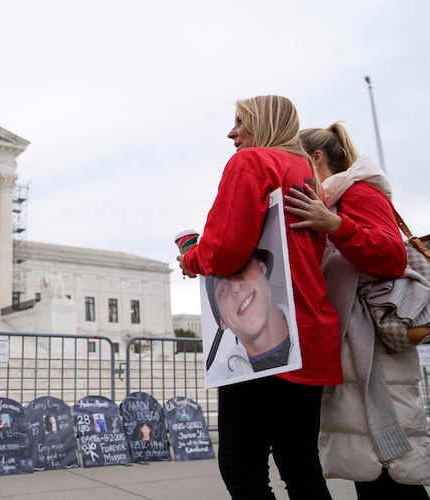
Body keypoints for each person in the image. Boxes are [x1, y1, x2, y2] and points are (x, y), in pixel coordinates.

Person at [178, 95, 342, 499]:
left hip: (265, 345)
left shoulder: (250, 162)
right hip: (311, 331)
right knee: (300, 463)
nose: (231, 132)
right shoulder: (305, 173)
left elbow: (228, 249)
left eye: (241, 122)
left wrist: (191, 256)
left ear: (265, 124)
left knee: (242, 466)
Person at [285, 122, 429, 499]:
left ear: (316, 158)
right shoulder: (332, 198)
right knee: (369, 464)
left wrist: (336, 226)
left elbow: (392, 255)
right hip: (356, 341)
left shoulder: (358, 192)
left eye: (296, 159)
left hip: (375, 344)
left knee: (392, 467)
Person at [205, 248, 292, 379]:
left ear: (263, 268)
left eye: (241, 266)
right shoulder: (218, 377)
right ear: (222, 321)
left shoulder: (315, 330)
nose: (235, 286)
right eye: (222, 289)